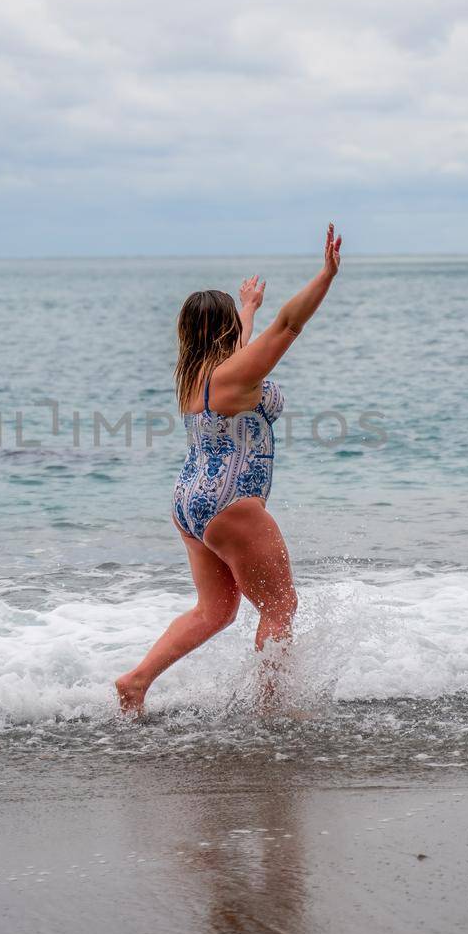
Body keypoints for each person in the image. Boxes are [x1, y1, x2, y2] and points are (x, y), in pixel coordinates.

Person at [116, 223, 343, 715]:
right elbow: (288, 328)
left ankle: (136, 681)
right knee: (281, 609)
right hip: (231, 504)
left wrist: (247, 308)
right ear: (222, 331)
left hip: (189, 503)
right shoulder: (234, 376)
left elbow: (243, 346)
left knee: (215, 610)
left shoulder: (195, 375)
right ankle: (271, 710)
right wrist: (325, 276)